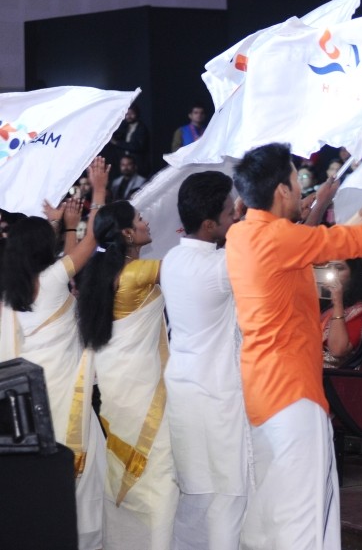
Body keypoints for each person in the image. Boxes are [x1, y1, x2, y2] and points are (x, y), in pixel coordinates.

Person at [225, 142, 362, 550]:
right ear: (282, 190)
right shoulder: (279, 237)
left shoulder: (242, 233)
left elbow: (330, 240)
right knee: (302, 516)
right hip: (291, 393)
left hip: (261, 389)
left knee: (272, 510)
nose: (301, 190)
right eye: (296, 181)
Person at [0, 158, 108, 550]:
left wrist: (61, 226)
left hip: (30, 405)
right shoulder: (50, 281)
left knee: (48, 485)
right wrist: (98, 190)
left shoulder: (10, 292)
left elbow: (67, 265)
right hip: (68, 395)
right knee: (85, 482)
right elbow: (92, 241)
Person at [76, 200, 176, 549]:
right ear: (127, 233)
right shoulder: (137, 273)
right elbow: (189, 269)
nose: (146, 221)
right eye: (139, 218)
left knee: (123, 465)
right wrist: (198, 238)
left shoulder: (98, 273)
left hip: (115, 385)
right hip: (143, 388)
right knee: (158, 469)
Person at [161, 170, 248, 549]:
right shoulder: (219, 266)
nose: (236, 216)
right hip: (218, 392)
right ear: (210, 225)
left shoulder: (171, 259)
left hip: (183, 388)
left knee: (194, 494)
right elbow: (270, 251)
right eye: (231, 212)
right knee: (228, 494)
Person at [319, 258, 362, 368]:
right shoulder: (325, 306)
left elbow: (338, 350)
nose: (333, 273)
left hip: (331, 373)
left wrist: (338, 302)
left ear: (353, 275)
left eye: (339, 268)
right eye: (329, 268)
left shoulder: (359, 310)